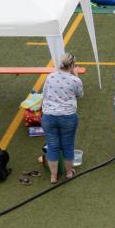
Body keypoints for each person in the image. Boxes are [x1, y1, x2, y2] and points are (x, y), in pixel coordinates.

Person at [41, 54, 83, 183]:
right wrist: (76, 76)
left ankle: (53, 176)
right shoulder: (75, 80)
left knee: (52, 147)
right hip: (68, 117)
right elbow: (80, 95)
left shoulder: (50, 77)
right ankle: (69, 172)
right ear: (71, 66)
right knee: (68, 145)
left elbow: (44, 94)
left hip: (49, 116)